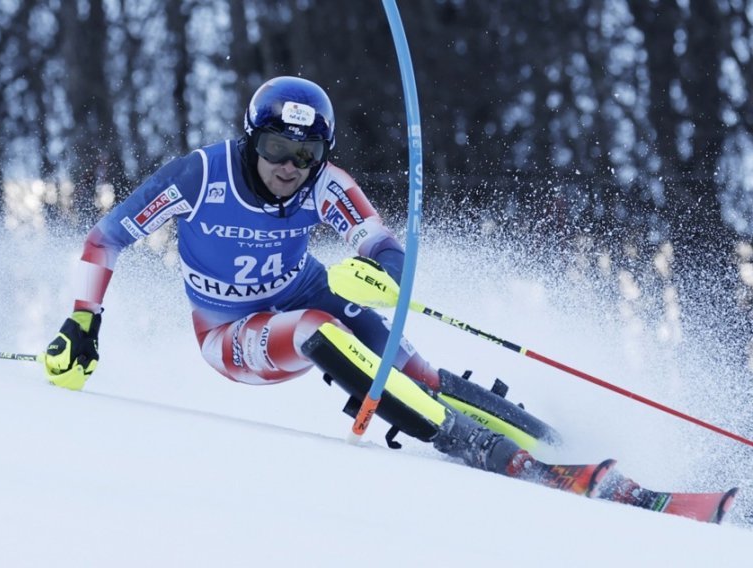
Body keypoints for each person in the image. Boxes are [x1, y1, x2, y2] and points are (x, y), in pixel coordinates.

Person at [43, 76, 608, 495]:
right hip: (229, 332)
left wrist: (383, 271)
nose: (289, 167)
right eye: (275, 149)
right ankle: (485, 451)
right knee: (320, 331)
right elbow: (105, 237)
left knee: (417, 373)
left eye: (306, 155)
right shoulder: (200, 175)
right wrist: (83, 319)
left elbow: (381, 240)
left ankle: (559, 447)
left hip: (307, 290)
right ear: (251, 140)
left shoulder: (324, 185)